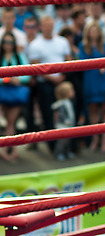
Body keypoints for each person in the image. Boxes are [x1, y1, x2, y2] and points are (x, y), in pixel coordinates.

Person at [28, 16, 72, 153]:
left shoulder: (62, 41)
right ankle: (53, 147)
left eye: (50, 24)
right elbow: (35, 66)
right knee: (48, 114)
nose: (48, 27)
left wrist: (62, 76)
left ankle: (69, 146)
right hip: (45, 84)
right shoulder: (35, 44)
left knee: (69, 114)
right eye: (45, 25)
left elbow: (69, 60)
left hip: (62, 82)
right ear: (41, 27)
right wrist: (53, 78)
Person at [78, 21, 105, 151]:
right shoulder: (83, 46)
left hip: (104, 80)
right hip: (91, 80)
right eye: (91, 31)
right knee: (92, 111)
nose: (94, 33)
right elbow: (81, 62)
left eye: (96, 30)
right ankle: (95, 140)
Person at [0, 32, 31, 161]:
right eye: (6, 42)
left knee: (11, 122)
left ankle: (7, 149)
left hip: (16, 93)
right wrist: (7, 79)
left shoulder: (19, 56)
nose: (8, 45)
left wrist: (18, 79)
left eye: (11, 42)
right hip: (2, 92)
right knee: (7, 122)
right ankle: (10, 148)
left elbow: (28, 73)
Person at [51, 81, 76, 161]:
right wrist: (66, 121)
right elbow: (61, 114)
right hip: (63, 125)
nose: (73, 92)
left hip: (68, 125)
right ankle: (58, 153)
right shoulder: (61, 104)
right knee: (62, 141)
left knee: (68, 141)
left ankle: (66, 152)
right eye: (71, 90)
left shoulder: (69, 102)